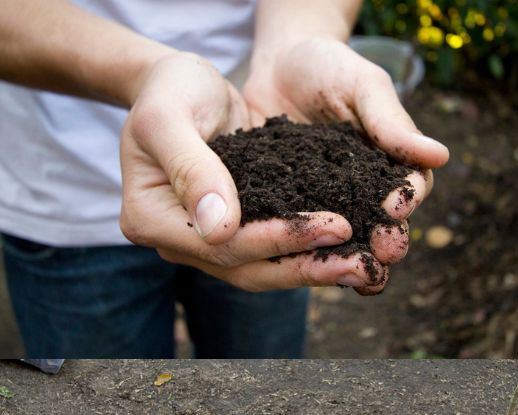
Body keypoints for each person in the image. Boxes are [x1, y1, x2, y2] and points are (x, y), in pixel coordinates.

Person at [0, 0, 449, 358]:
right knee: (106, 410)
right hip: (62, 191)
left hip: (254, 170)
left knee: (263, 402)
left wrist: (297, 41)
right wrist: (145, 74)